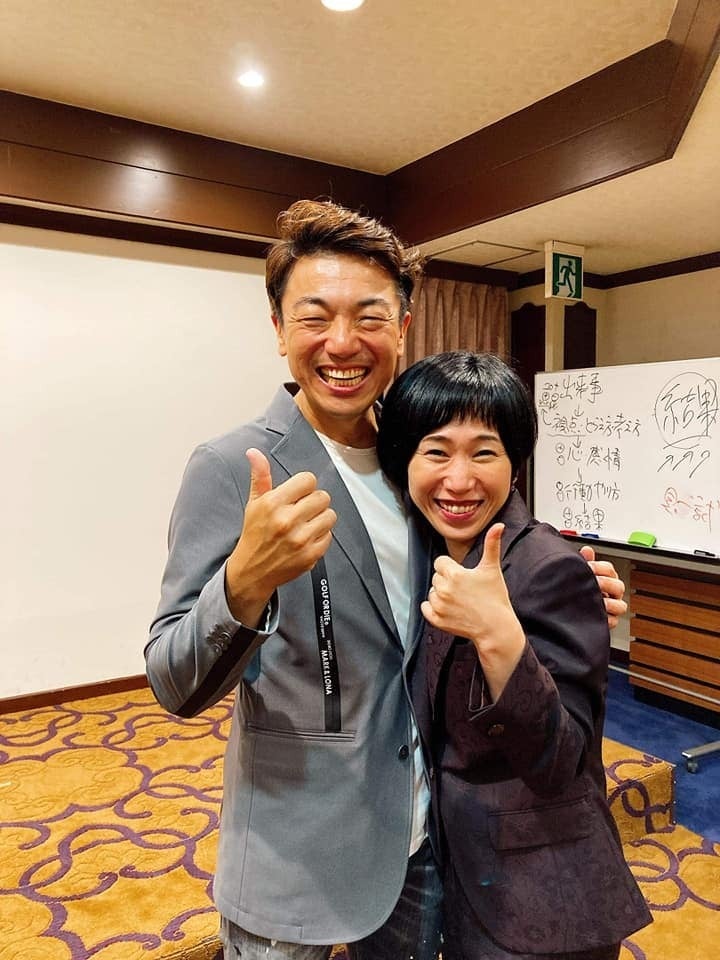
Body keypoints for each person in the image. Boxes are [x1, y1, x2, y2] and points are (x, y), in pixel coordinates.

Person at [145, 200, 629, 960]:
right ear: (278, 328)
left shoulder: (413, 456)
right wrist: (243, 584)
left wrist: (563, 581)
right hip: (293, 855)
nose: (342, 342)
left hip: (423, 841)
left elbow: (468, 555)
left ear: (402, 328)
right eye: (314, 317)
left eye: (369, 316)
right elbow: (174, 683)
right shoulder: (232, 468)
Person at [376, 351, 652, 960]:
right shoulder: (430, 554)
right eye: (436, 451)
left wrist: (499, 635)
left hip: (541, 895)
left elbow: (561, 760)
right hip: (460, 869)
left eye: (484, 452)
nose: (458, 479)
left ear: (515, 461)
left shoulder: (548, 568)